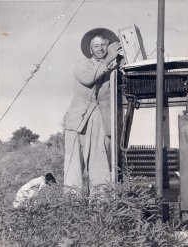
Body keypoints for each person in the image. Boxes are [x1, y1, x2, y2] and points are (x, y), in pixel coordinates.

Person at [64, 28, 123, 191]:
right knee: (74, 168)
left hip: (100, 122)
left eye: (104, 45)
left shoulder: (112, 69)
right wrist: (110, 58)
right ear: (90, 50)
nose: (101, 48)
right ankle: (71, 207)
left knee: (100, 166)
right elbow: (89, 78)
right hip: (78, 122)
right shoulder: (82, 65)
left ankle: (100, 207)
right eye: (96, 45)